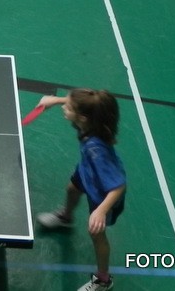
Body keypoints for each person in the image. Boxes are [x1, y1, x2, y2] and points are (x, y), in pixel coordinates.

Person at [35, 88, 126, 291]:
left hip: (103, 193)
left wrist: (101, 211)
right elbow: (81, 102)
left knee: (96, 234)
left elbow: (119, 185)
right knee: (72, 189)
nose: (64, 108)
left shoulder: (97, 150)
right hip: (87, 171)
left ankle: (103, 279)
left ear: (82, 117)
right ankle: (65, 218)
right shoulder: (89, 120)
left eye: (67, 107)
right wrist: (55, 100)